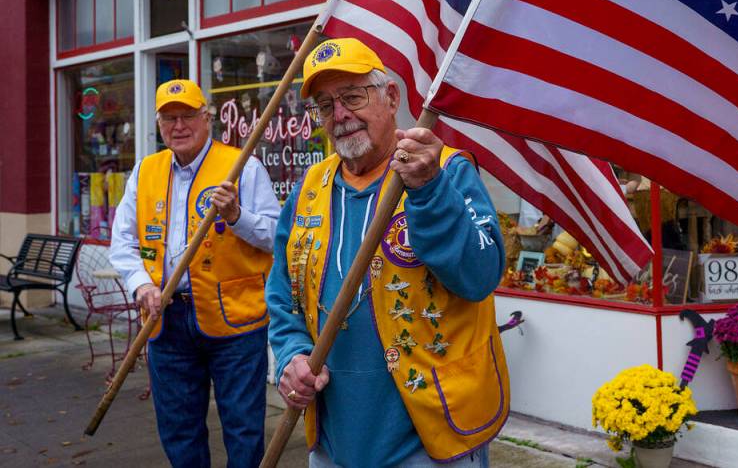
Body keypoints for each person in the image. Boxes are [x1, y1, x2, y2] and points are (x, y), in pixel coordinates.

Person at [267, 38, 508, 468]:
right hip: (332, 440)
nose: (340, 115)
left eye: (353, 96)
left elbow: (480, 276)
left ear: (391, 97)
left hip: (434, 440)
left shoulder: (446, 171)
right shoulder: (308, 188)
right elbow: (282, 294)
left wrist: (431, 191)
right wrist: (291, 354)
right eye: (325, 105)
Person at [109, 79, 280, 468]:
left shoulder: (243, 166)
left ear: (207, 118)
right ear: (159, 124)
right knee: (178, 429)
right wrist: (141, 286)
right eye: (169, 118)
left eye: (188, 115)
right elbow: (122, 242)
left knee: (244, 429)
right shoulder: (145, 172)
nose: (179, 125)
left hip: (236, 320)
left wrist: (238, 217)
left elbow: (276, 237)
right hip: (165, 320)